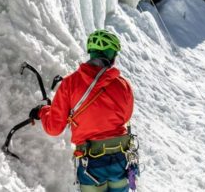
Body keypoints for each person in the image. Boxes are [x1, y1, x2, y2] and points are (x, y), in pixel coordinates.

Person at [30, 30, 135, 192]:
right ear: (112, 55)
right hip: (120, 158)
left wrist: (43, 111)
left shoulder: (70, 84)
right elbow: (126, 116)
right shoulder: (123, 85)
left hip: (90, 161)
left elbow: (54, 128)